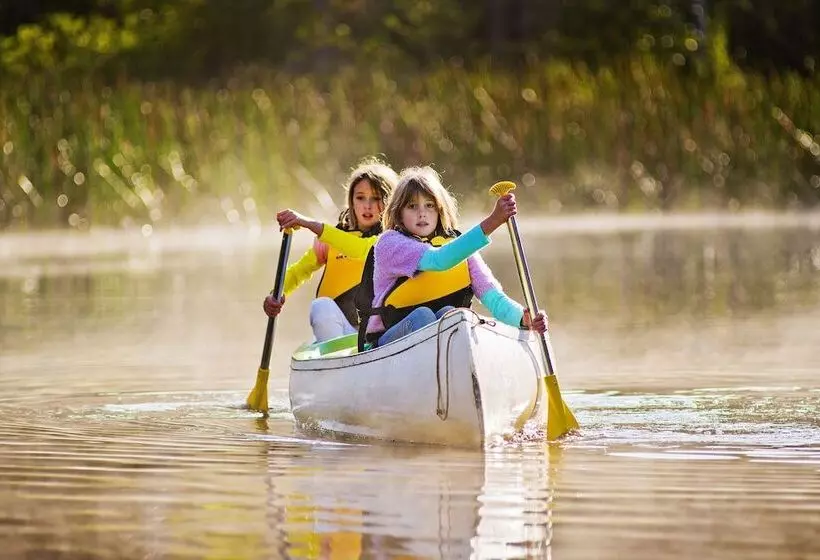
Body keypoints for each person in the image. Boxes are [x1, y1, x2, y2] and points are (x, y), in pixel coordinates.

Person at [359, 166, 547, 349]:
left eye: (429, 205)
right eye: (412, 206)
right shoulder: (390, 243)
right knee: (423, 316)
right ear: (399, 213)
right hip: (387, 343)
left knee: (454, 316)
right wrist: (494, 221)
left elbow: (494, 298)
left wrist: (522, 318)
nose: (422, 213)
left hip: (440, 344)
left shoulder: (458, 246)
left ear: (440, 211)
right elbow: (438, 260)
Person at [263, 158, 399, 342]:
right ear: (351, 201)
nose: (368, 206)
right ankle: (334, 361)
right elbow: (298, 272)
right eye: (360, 197)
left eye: (376, 198)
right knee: (320, 307)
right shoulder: (330, 241)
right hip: (340, 337)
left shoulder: (392, 239)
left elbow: (362, 250)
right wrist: (276, 293)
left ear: (390, 202)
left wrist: (310, 224)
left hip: (376, 337)